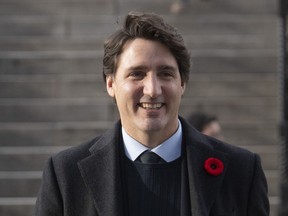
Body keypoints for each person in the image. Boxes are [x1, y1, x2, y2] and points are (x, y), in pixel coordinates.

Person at [35, 11, 269, 216]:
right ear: (110, 84)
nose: (153, 90)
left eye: (166, 73)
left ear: (183, 83)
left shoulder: (242, 172)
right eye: (137, 73)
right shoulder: (65, 175)